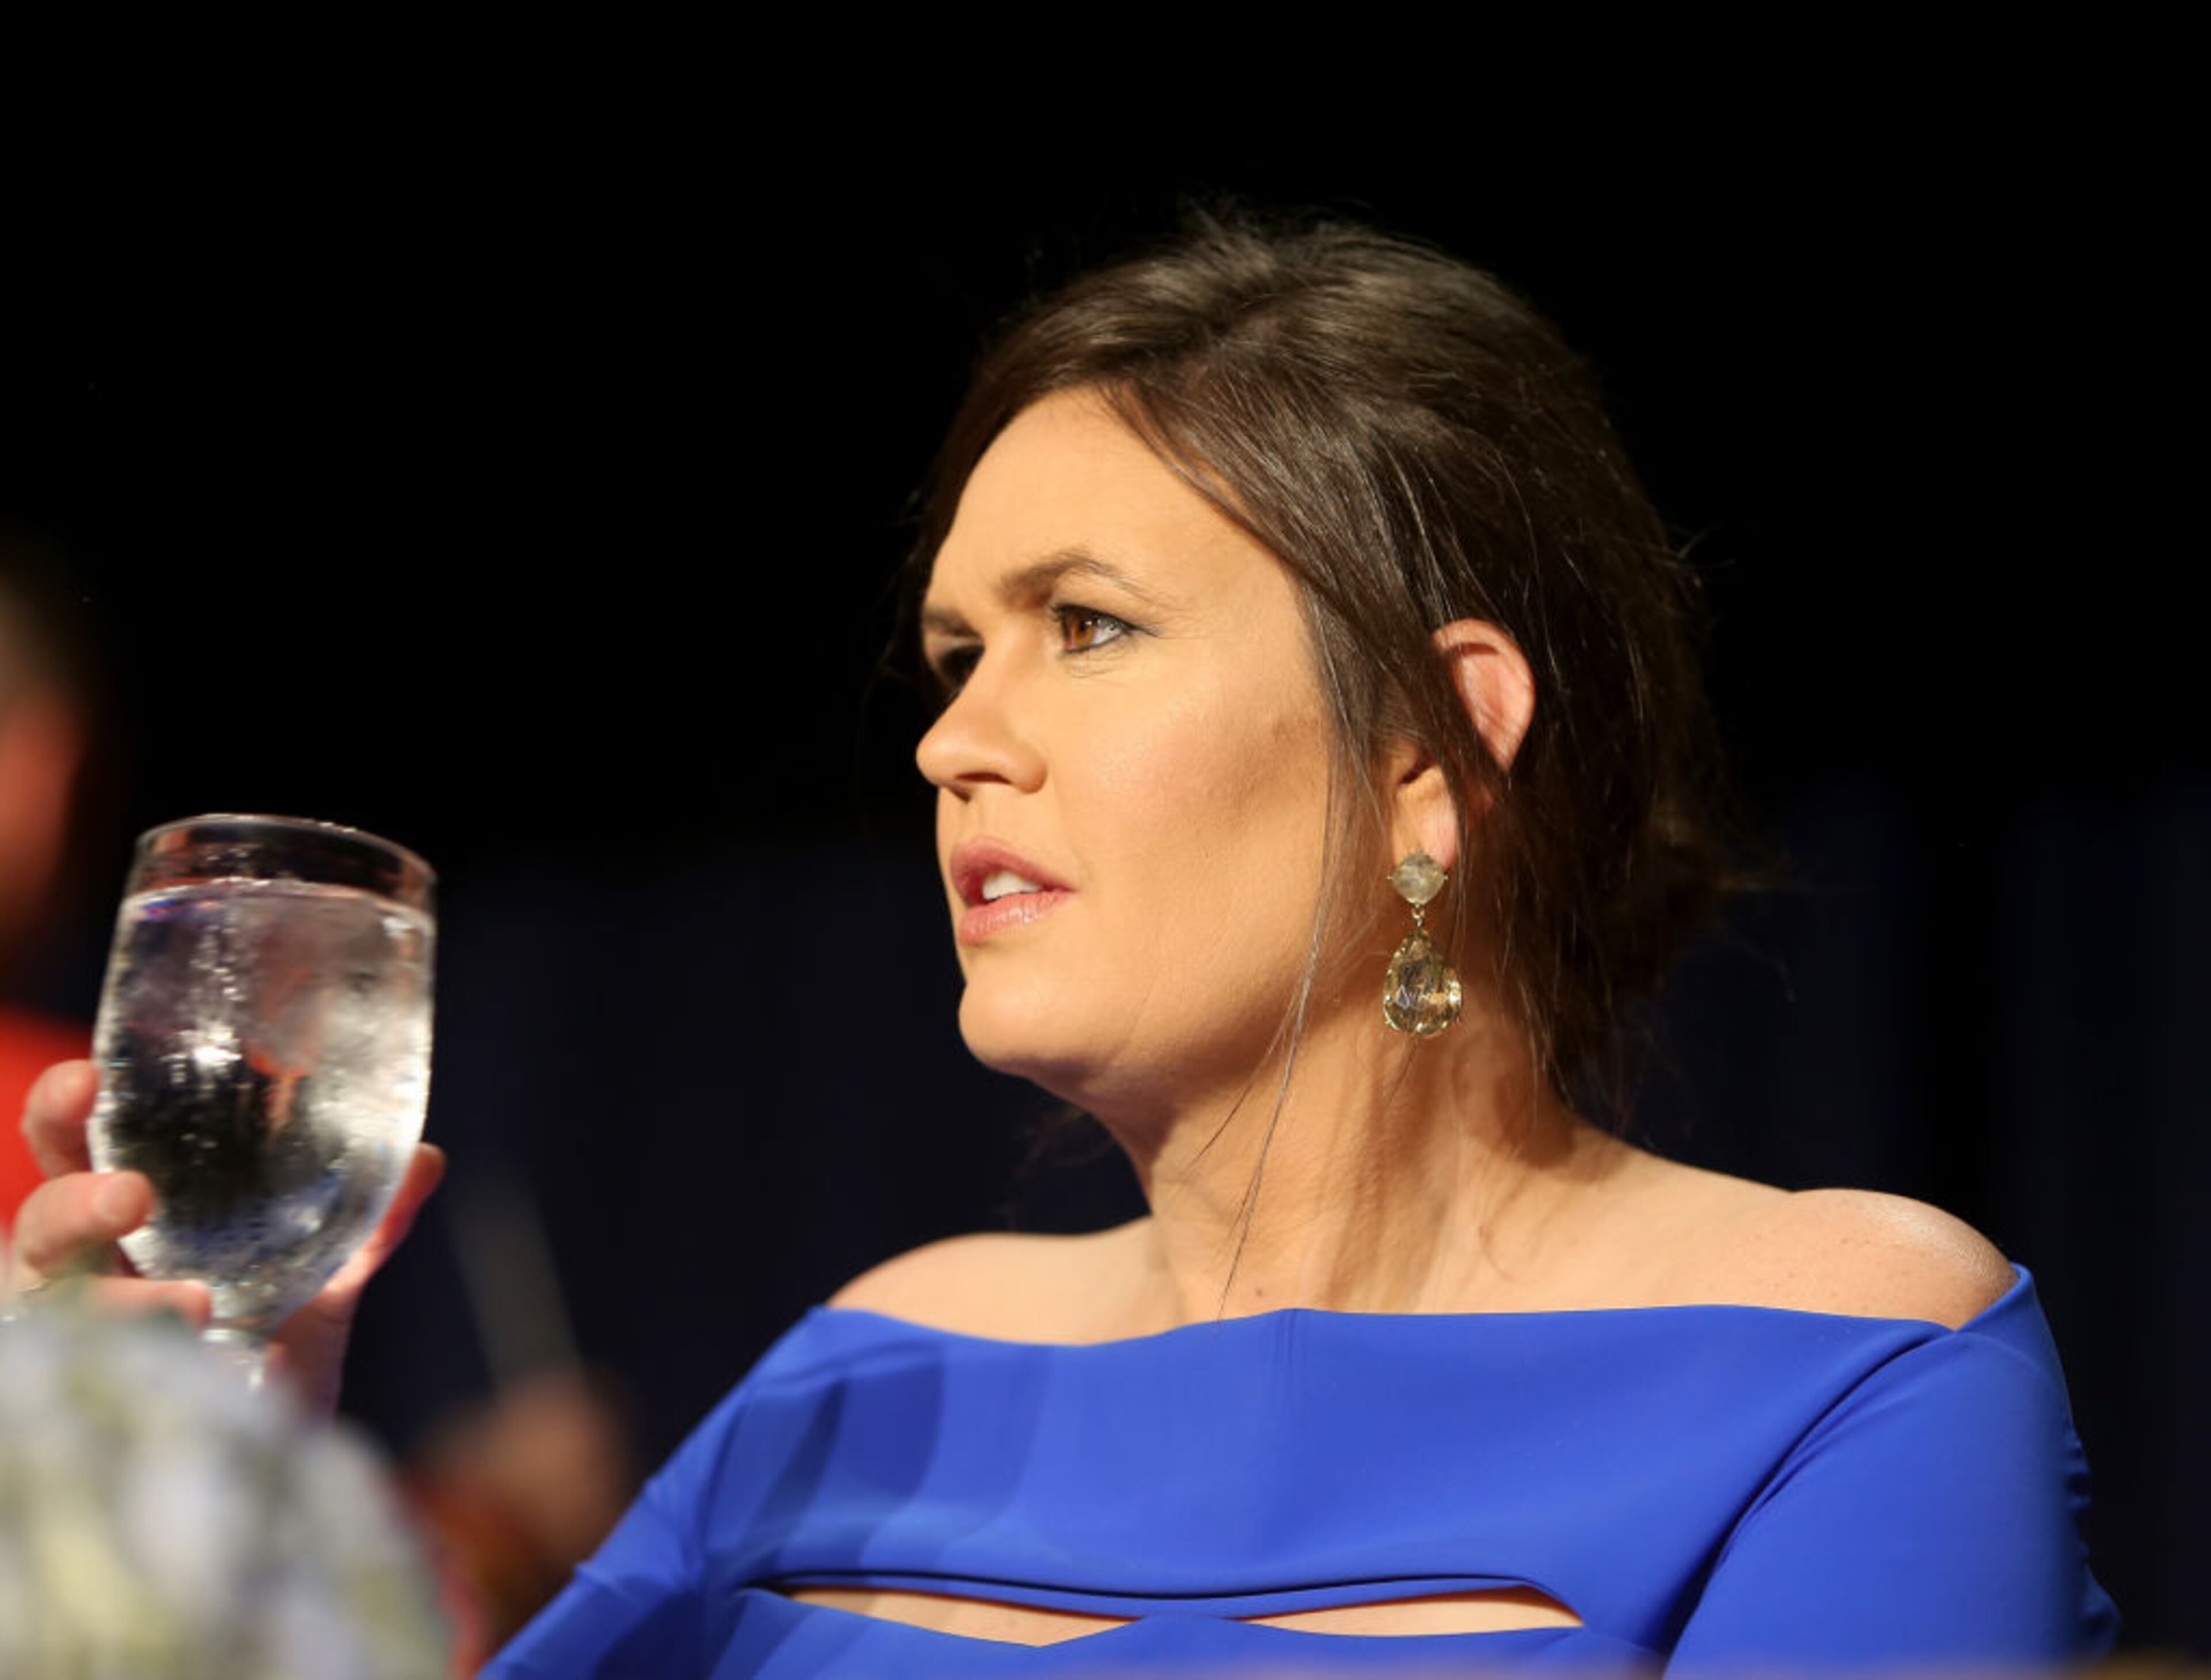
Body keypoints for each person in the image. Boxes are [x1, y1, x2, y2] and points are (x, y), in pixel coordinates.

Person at [12, 212, 2116, 1672]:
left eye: (1085, 628)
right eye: (949, 653)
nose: (954, 737)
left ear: (1433, 745)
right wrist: (203, 1466)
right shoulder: (884, 1367)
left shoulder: (1847, 1364)